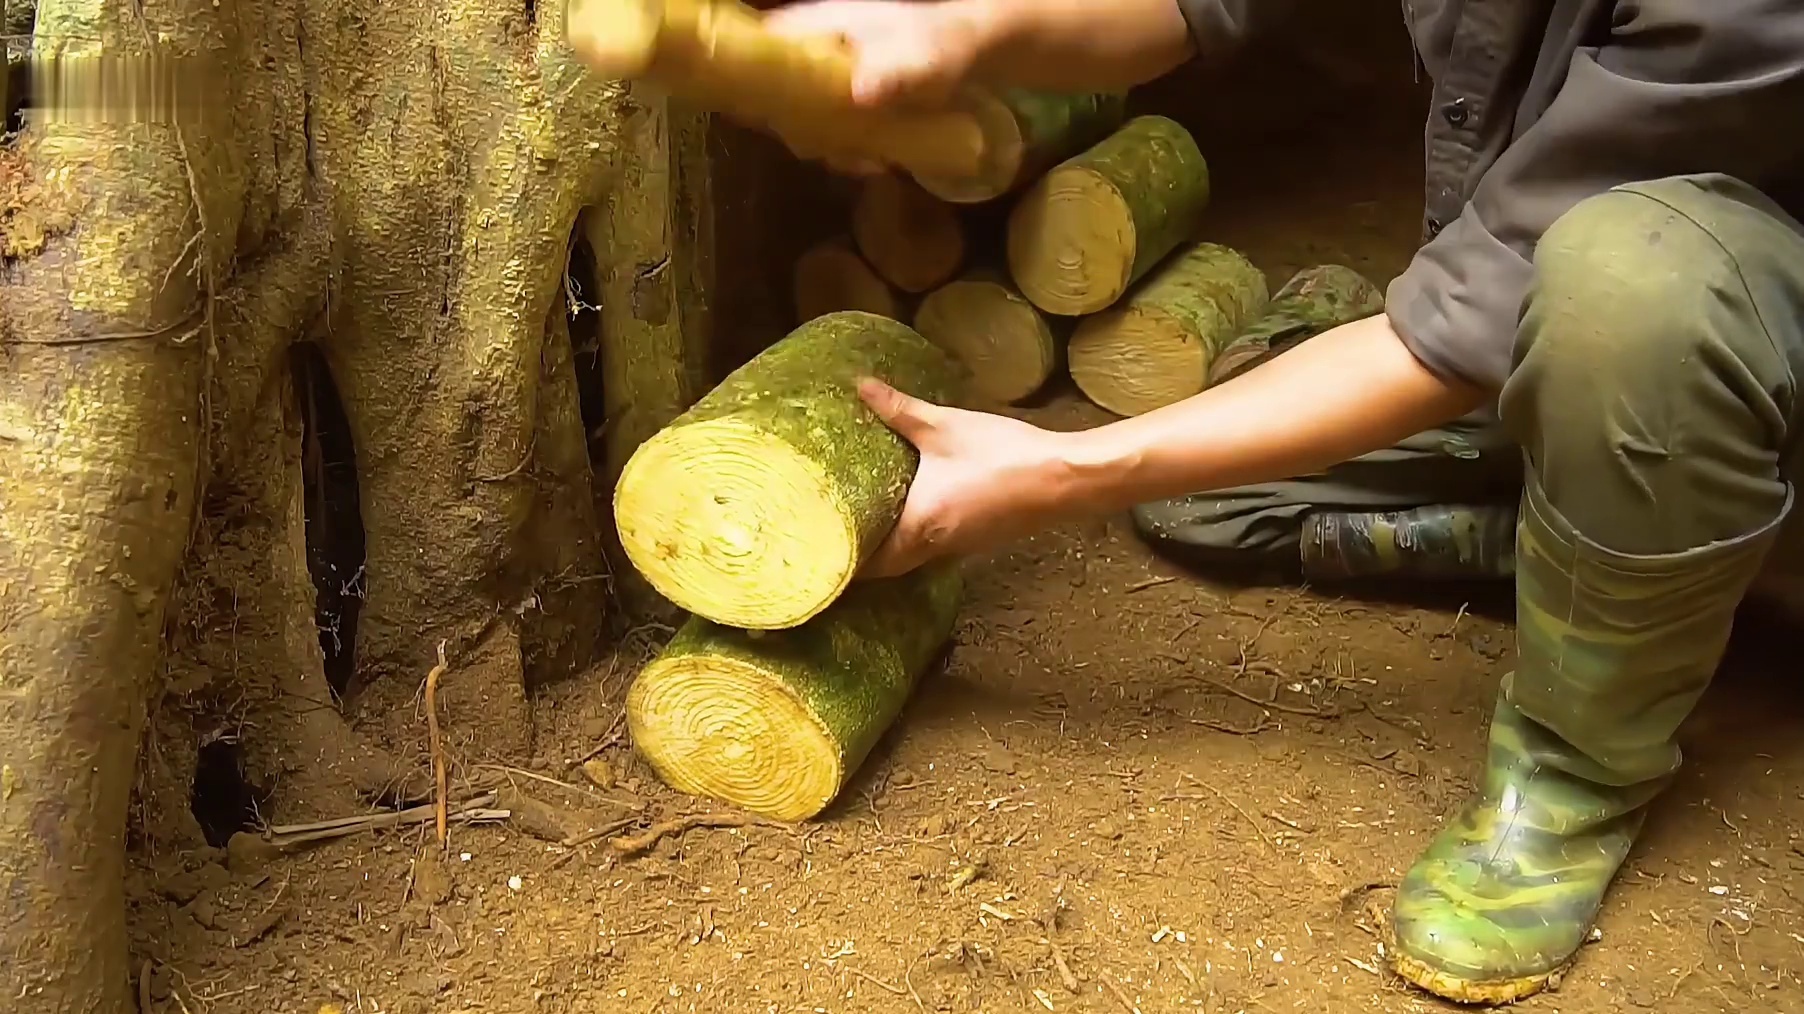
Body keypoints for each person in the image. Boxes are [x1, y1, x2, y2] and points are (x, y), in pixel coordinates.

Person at [760, 0, 1804, 1005]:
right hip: (1604, 341)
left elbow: (1450, 336)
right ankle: (1616, 536)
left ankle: (1578, 774)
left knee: (1633, 277)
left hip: (1721, 346)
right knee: (1205, 498)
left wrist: (1056, 472)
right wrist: (964, 28)